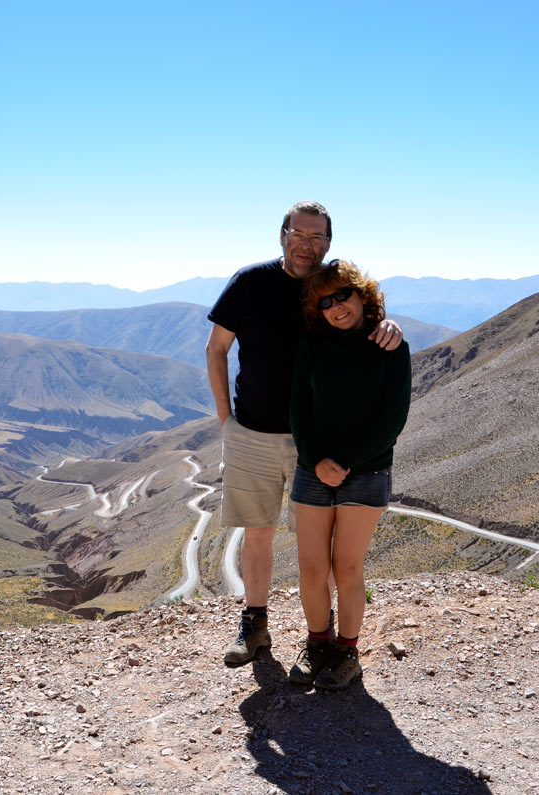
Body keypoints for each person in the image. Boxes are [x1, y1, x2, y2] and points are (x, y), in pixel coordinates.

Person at [205, 201, 403, 667]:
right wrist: (224, 421)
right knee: (258, 534)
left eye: (317, 238)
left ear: (328, 244)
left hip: (314, 439)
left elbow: (360, 324)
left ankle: (324, 638)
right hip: (252, 431)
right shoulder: (250, 282)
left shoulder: (325, 289)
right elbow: (216, 350)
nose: (306, 245)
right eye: (299, 234)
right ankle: (255, 626)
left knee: (317, 551)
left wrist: (390, 324)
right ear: (282, 235)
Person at [286, 259, 411, 689]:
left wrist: (346, 463)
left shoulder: (390, 346)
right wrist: (317, 459)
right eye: (325, 302)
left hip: (368, 471)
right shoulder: (311, 346)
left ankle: (347, 652)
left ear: (362, 295)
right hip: (312, 470)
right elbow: (298, 411)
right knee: (310, 568)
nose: (336, 307)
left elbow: (393, 418)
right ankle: (317, 643)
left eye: (343, 295)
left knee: (348, 568)